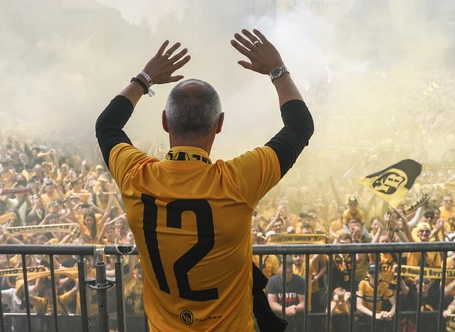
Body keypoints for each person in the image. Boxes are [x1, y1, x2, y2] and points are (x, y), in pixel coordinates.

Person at [95, 28, 313, 331]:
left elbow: (106, 125)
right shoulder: (237, 181)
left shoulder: (136, 175)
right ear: (220, 124)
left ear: (164, 122)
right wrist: (277, 70)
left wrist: (144, 79)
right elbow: (300, 126)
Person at [267, 256, 306, 332]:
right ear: (279, 268)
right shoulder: (273, 281)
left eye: (290, 267)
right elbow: (272, 303)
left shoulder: (300, 280)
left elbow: (303, 303)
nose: (288, 270)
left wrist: (294, 309)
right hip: (278, 319)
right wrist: (285, 310)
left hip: (296, 318)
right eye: (285, 267)